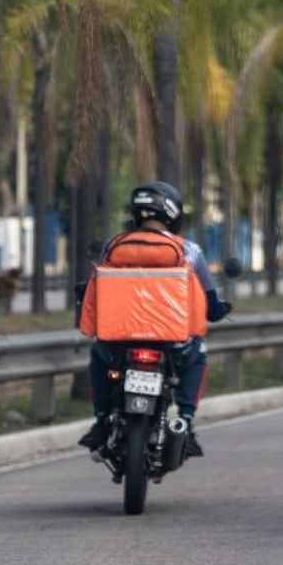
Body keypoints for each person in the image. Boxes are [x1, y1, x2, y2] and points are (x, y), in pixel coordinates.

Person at [78, 181, 231, 455]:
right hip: (172, 347)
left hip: (119, 345)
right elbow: (208, 299)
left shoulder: (113, 246)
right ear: (173, 215)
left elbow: (95, 289)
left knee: (98, 356)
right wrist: (218, 311)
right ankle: (184, 419)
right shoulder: (189, 251)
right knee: (199, 356)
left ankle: (101, 420)